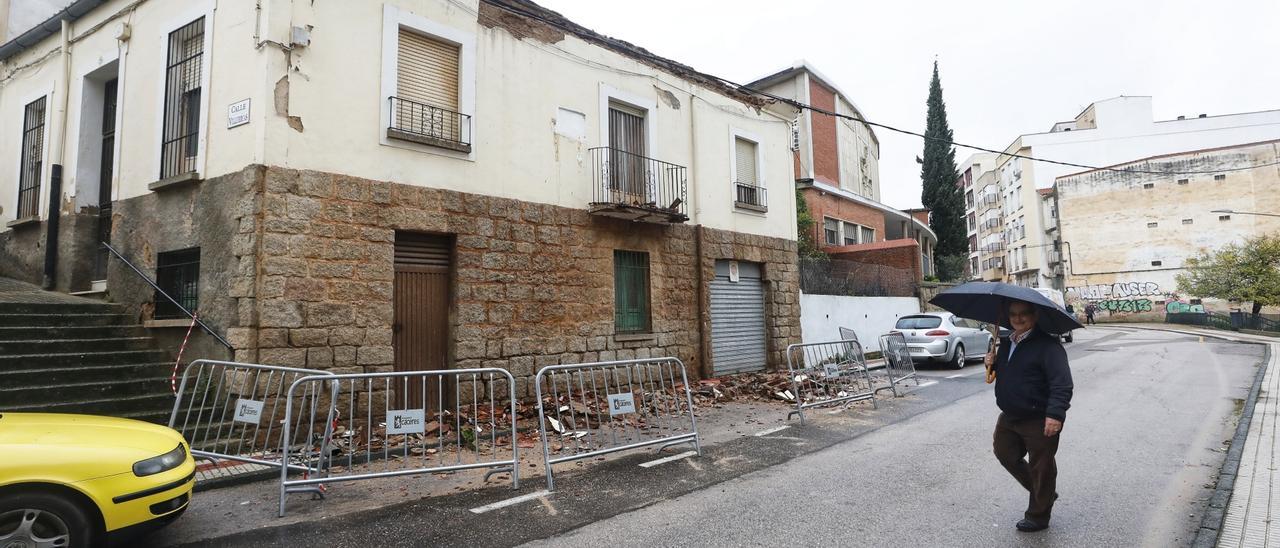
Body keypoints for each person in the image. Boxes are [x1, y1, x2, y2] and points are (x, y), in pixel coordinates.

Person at [983, 299, 1074, 532]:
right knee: (1005, 453)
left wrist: (1055, 415)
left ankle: (1038, 516)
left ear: (1035, 315)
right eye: (1013, 314)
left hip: (1039, 417)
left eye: (1024, 313)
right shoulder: (1007, 342)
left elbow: (1062, 383)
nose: (1018, 318)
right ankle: (1045, 493)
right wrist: (991, 364)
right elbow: (1008, 374)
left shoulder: (1048, 346)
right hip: (1010, 415)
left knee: (1041, 467)